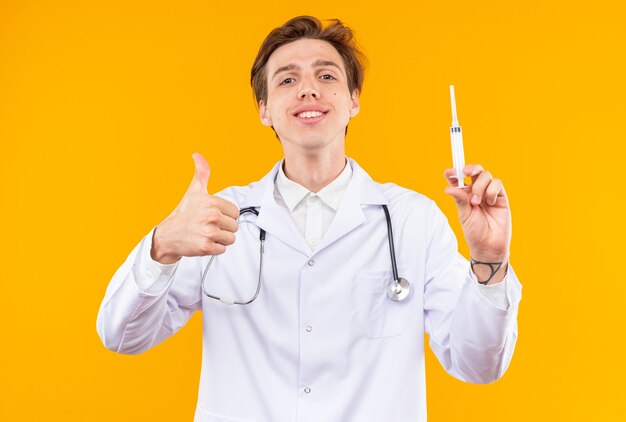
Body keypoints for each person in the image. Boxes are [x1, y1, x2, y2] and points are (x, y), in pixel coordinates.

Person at [97, 16, 522, 422]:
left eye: (327, 76)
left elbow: (478, 364)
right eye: (287, 79)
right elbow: (122, 336)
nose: (308, 91)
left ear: (353, 100)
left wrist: (489, 259)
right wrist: (162, 247)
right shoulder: (219, 219)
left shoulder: (413, 220)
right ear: (264, 109)